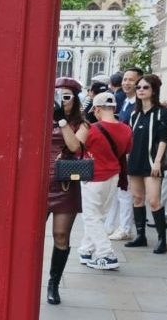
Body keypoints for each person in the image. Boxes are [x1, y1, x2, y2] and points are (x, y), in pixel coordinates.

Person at [61, 92, 132, 270]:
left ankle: (106, 255)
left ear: (98, 109)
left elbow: (74, 147)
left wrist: (63, 124)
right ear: (114, 108)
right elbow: (126, 150)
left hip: (93, 177)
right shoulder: (126, 129)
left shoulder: (91, 128)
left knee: (91, 217)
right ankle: (86, 250)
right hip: (114, 175)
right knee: (99, 216)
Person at [46, 77, 87, 305]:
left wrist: (61, 121)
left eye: (67, 97)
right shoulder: (40, 119)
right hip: (39, 184)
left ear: (75, 100)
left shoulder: (82, 124)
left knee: (61, 235)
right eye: (57, 96)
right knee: (28, 235)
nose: (62, 101)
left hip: (65, 184)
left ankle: (53, 283)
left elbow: (74, 147)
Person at [125, 74, 167, 254]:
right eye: (139, 88)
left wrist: (158, 162)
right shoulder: (134, 114)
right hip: (135, 160)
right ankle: (140, 236)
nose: (141, 90)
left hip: (153, 162)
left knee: (153, 200)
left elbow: (163, 138)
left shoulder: (162, 112)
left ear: (153, 91)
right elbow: (130, 137)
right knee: (137, 199)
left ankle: (162, 240)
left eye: (145, 87)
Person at [106, 67, 143, 240]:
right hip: (120, 152)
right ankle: (111, 225)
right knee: (117, 190)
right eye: (125, 79)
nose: (127, 83)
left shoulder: (139, 104)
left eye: (131, 80)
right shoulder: (126, 102)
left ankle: (125, 229)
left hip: (130, 153)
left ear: (139, 82)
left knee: (125, 191)